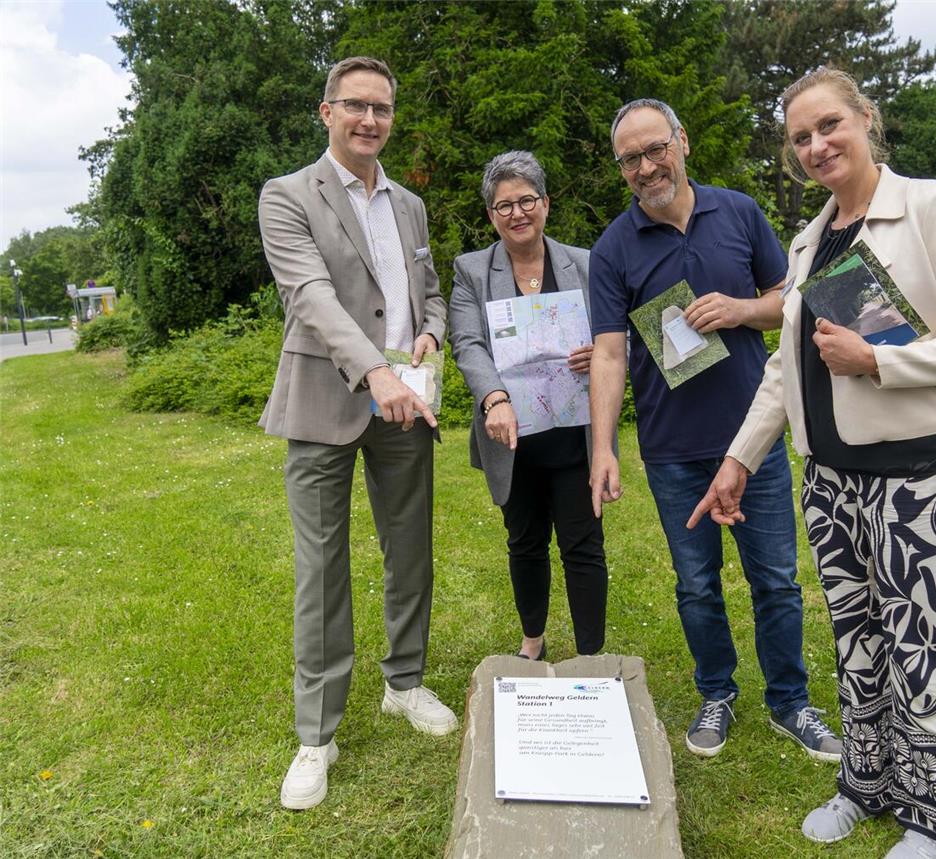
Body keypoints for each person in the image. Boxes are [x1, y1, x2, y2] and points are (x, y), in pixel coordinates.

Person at [689, 68, 936, 858]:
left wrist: (878, 361)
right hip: (831, 482)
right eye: (799, 137)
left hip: (920, 478)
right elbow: (783, 373)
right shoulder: (812, 239)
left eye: (829, 125)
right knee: (859, 641)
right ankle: (866, 783)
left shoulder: (931, 207)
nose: (815, 145)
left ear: (867, 118)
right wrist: (738, 459)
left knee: (925, 643)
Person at [588, 98, 841, 762]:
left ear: (683, 141)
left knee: (778, 578)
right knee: (696, 582)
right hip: (672, 449)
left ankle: (790, 702)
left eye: (655, 149)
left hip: (750, 436)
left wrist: (740, 308)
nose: (646, 167)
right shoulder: (613, 248)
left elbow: (789, 301)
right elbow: (610, 354)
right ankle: (717, 692)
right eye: (631, 158)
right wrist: (602, 447)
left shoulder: (739, 212)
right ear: (622, 170)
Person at [258, 56, 457, 811]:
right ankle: (317, 733)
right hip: (326, 399)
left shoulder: (408, 204)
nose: (369, 120)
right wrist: (377, 372)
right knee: (323, 568)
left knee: (410, 549)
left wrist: (431, 336)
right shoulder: (286, 196)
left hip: (407, 403)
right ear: (327, 111)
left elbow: (428, 290)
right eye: (355, 107)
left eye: (381, 108)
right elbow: (309, 295)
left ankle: (404, 683)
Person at [449, 151, 608, 661]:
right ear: (491, 215)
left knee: (583, 547)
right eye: (503, 206)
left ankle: (589, 655)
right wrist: (493, 397)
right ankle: (533, 641)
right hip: (510, 436)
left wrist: (599, 353)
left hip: (575, 436)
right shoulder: (471, 270)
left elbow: (614, 336)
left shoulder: (585, 264)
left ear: (546, 203)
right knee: (525, 543)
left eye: (526, 201)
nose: (516, 214)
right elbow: (468, 343)